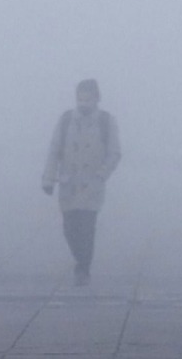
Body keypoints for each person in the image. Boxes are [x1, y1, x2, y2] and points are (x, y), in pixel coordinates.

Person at [42, 79, 121, 286]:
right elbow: (54, 150)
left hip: (91, 186)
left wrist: (102, 174)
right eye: (80, 98)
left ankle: (83, 267)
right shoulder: (66, 119)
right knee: (69, 229)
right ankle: (81, 260)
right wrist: (48, 179)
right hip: (68, 184)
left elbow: (115, 153)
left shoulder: (106, 121)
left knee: (87, 228)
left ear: (97, 98)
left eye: (88, 98)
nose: (83, 103)